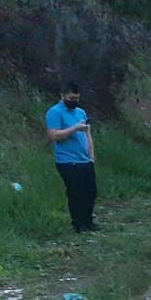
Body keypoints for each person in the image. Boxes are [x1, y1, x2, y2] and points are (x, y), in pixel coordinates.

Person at [46, 81, 98, 233]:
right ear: (62, 96)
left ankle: (89, 221)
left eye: (77, 98)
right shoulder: (55, 112)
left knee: (91, 191)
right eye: (71, 98)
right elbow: (53, 135)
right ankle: (78, 224)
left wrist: (91, 155)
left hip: (85, 160)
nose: (74, 101)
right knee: (75, 192)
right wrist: (75, 128)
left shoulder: (81, 112)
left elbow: (88, 134)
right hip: (67, 161)